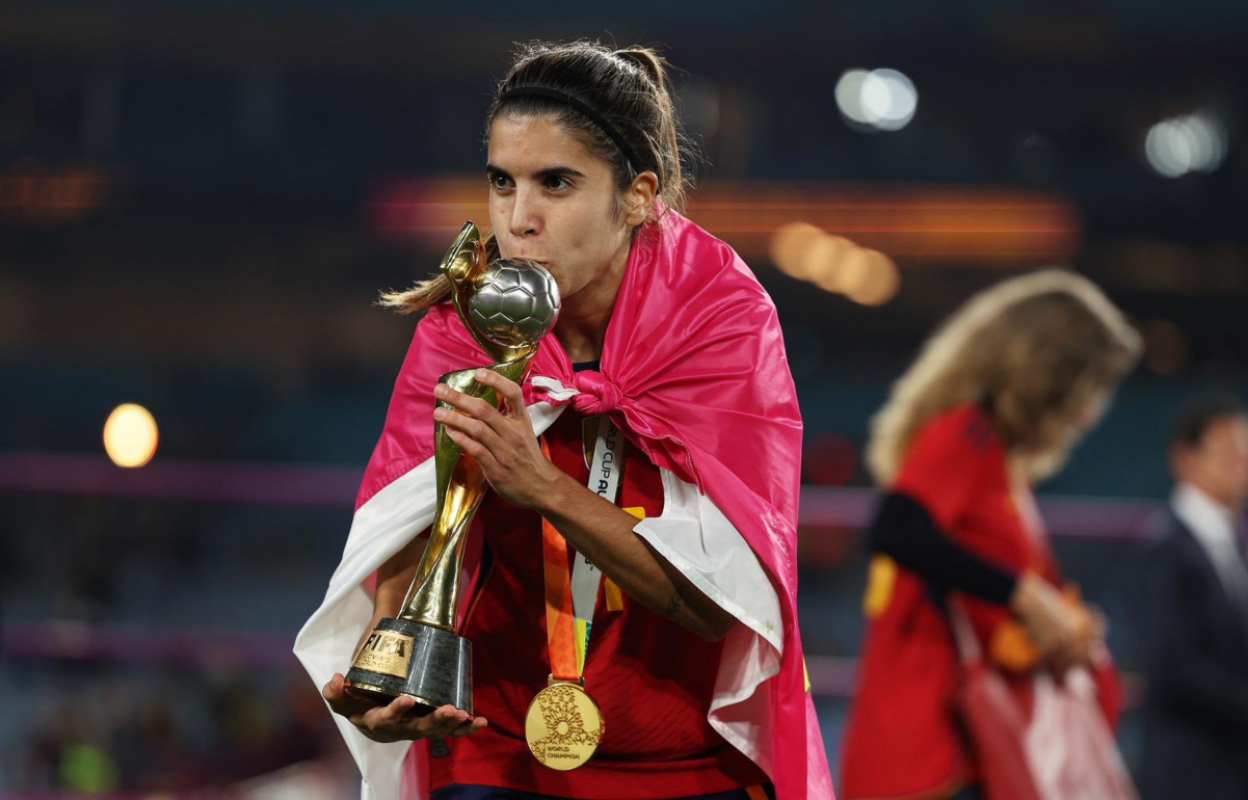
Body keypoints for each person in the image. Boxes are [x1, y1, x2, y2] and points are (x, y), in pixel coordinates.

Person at [293, 41, 833, 800]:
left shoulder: (719, 324)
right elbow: (415, 520)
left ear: (639, 195)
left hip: (682, 769)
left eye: (556, 184)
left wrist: (540, 485)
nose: (519, 220)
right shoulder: (464, 326)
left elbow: (715, 605)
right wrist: (396, 670)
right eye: (501, 182)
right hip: (496, 755)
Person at [838, 270, 1141, 800]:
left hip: (965, 736)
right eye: (1089, 385)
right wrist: (1026, 598)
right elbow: (896, 527)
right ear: (1047, 374)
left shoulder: (994, 454)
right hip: (933, 737)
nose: (1090, 410)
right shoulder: (967, 435)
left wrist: (1058, 620)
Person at [1137, 396, 1248, 800]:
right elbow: (1172, 668)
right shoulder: (1167, 549)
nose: (1241, 465)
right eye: (1228, 452)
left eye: (1245, 452)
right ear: (1186, 459)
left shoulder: (1231, 544)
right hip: (1189, 774)